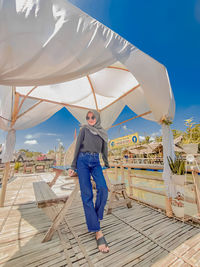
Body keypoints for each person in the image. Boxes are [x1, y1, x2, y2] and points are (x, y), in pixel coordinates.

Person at [68, 110, 110, 253]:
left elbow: (105, 150)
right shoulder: (84, 129)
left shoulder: (103, 133)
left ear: (97, 118)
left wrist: (106, 162)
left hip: (96, 161)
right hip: (82, 161)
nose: (90, 119)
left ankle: (96, 217)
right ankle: (97, 231)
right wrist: (73, 166)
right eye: (88, 117)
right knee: (87, 195)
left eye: (93, 117)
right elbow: (77, 148)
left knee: (103, 189)